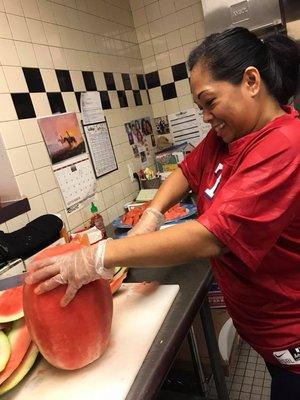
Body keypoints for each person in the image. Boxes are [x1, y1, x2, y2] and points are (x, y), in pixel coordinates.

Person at [26, 27, 300, 399]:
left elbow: (211, 237)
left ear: (251, 81)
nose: (205, 117)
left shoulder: (286, 144)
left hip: (291, 334)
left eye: (209, 102)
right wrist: (152, 213)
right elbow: (188, 170)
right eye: (199, 107)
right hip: (265, 329)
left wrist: (98, 254)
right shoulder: (230, 135)